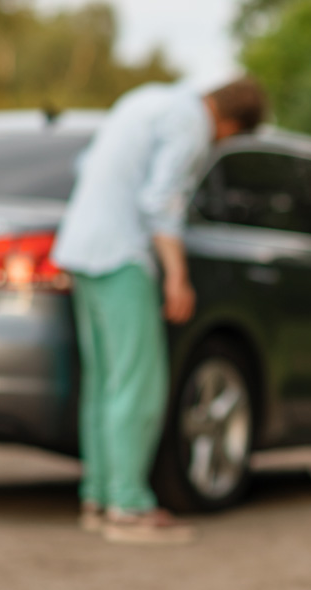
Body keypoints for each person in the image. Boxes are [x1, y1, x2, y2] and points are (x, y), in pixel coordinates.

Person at [52, 78, 268, 544]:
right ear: (230, 124)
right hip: (122, 255)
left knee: (106, 383)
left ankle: (100, 497)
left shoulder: (145, 99)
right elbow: (160, 202)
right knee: (139, 385)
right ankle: (128, 507)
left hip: (80, 248)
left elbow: (86, 164)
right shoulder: (191, 125)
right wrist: (176, 276)